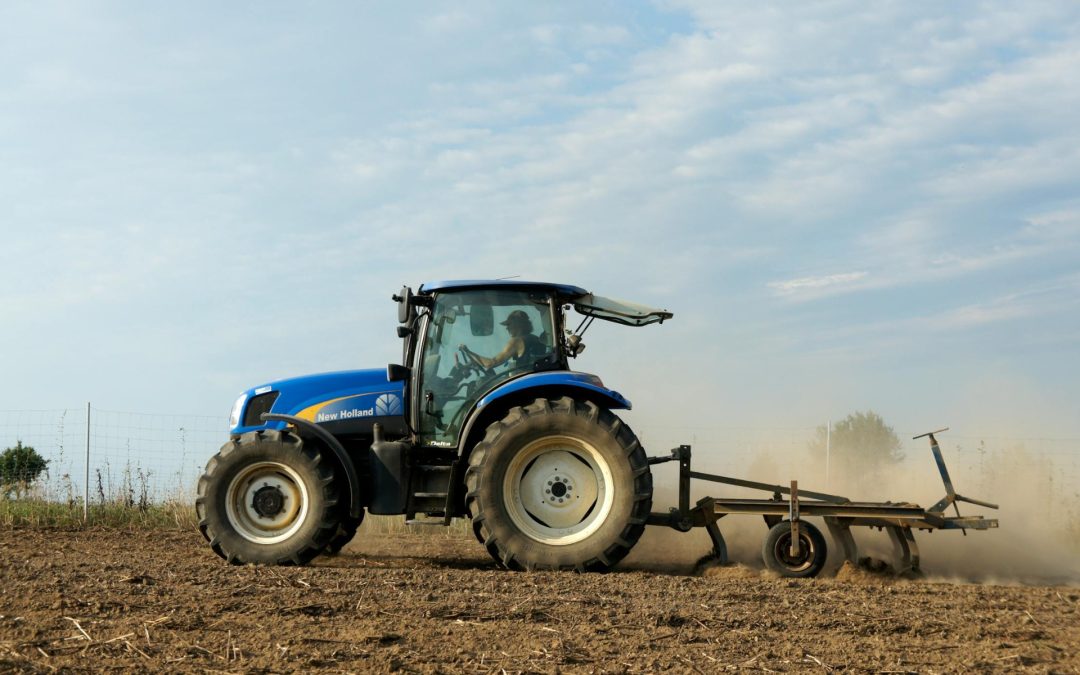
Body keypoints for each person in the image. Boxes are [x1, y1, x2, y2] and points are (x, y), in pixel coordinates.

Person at [464, 309, 545, 370]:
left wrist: (467, 351)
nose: (507, 328)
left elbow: (490, 364)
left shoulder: (516, 341)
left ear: (519, 324)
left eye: (509, 324)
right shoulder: (536, 339)